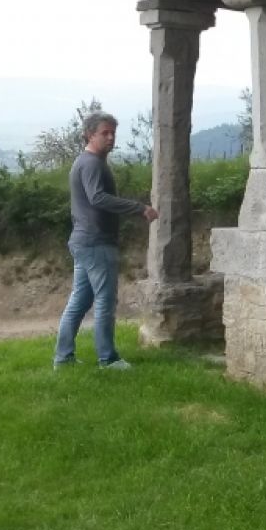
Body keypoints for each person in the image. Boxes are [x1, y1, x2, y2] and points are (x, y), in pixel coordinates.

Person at [53, 111, 158, 370]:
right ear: (90, 135)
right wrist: (139, 208)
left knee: (80, 301)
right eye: (105, 133)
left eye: (113, 133)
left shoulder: (88, 162)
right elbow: (97, 198)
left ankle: (63, 358)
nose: (111, 138)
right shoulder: (91, 164)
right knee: (105, 301)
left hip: (85, 241)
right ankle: (108, 359)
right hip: (96, 242)